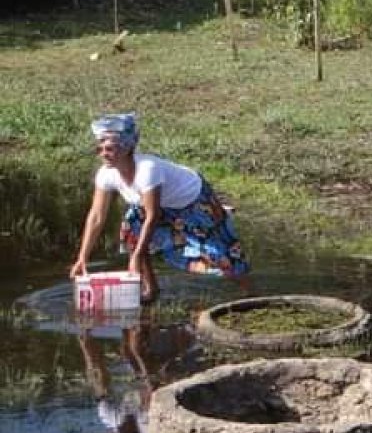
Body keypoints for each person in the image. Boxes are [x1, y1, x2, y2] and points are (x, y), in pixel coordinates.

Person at [70, 113, 249, 303]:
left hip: (192, 200)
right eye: (99, 149)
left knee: (220, 256)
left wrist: (137, 256)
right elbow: (96, 216)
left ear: (126, 148)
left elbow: (153, 215)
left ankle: (249, 293)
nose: (103, 154)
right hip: (160, 206)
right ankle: (151, 289)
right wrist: (83, 257)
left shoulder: (147, 169)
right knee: (132, 229)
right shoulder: (106, 174)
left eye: (109, 149)